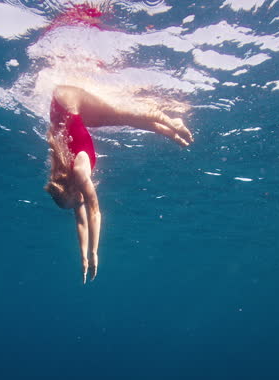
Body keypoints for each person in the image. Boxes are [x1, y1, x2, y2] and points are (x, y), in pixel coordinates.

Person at [44, 85, 193, 283]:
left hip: (67, 98)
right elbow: (81, 221)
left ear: (71, 191)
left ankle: (171, 122)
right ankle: (170, 132)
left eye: (75, 203)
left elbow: (95, 212)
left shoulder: (80, 174)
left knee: (120, 112)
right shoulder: (71, 185)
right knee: (121, 119)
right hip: (66, 110)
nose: (79, 206)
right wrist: (83, 257)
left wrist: (95, 252)